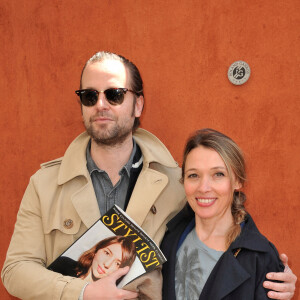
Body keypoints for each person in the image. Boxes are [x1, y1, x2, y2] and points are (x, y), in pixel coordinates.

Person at [1, 51, 296, 300]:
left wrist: (269, 268)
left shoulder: (177, 182)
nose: (101, 105)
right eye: (89, 96)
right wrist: (83, 292)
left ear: (138, 104)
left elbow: (223, 212)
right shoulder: (45, 184)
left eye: (114, 94)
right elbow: (14, 270)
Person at [161, 128, 295, 299]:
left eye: (218, 174)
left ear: (237, 180)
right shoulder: (168, 238)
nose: (203, 187)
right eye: (193, 175)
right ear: (183, 181)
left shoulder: (260, 258)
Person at [48, 236, 136, 281]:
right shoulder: (63, 264)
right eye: (107, 253)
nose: (107, 264)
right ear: (96, 250)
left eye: (117, 263)